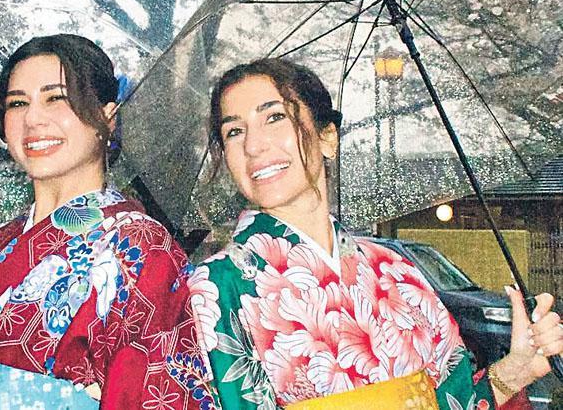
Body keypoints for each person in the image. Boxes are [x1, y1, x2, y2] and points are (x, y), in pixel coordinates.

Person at [187, 58, 563, 410]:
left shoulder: (398, 270)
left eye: (274, 117)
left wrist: (516, 369)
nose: (253, 146)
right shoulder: (216, 286)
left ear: (327, 137)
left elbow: (454, 399)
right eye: (234, 131)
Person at [0, 34, 215, 410]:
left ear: (108, 116)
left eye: (56, 97)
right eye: (17, 103)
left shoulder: (142, 250)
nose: (34, 119)